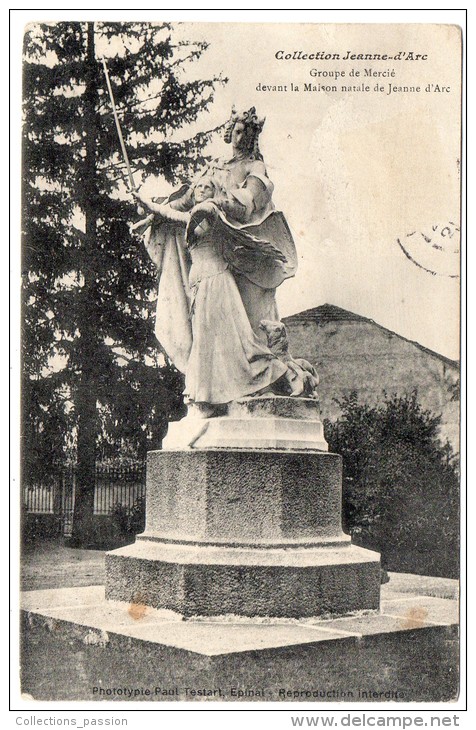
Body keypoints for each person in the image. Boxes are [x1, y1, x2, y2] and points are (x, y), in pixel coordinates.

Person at [133, 174, 288, 409]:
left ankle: (217, 392)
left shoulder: (208, 210)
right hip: (201, 283)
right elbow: (173, 217)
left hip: (215, 281)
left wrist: (149, 206)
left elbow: (177, 216)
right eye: (198, 186)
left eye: (207, 187)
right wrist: (148, 217)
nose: (201, 190)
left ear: (213, 192)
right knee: (207, 339)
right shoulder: (201, 210)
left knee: (218, 339)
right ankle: (208, 395)